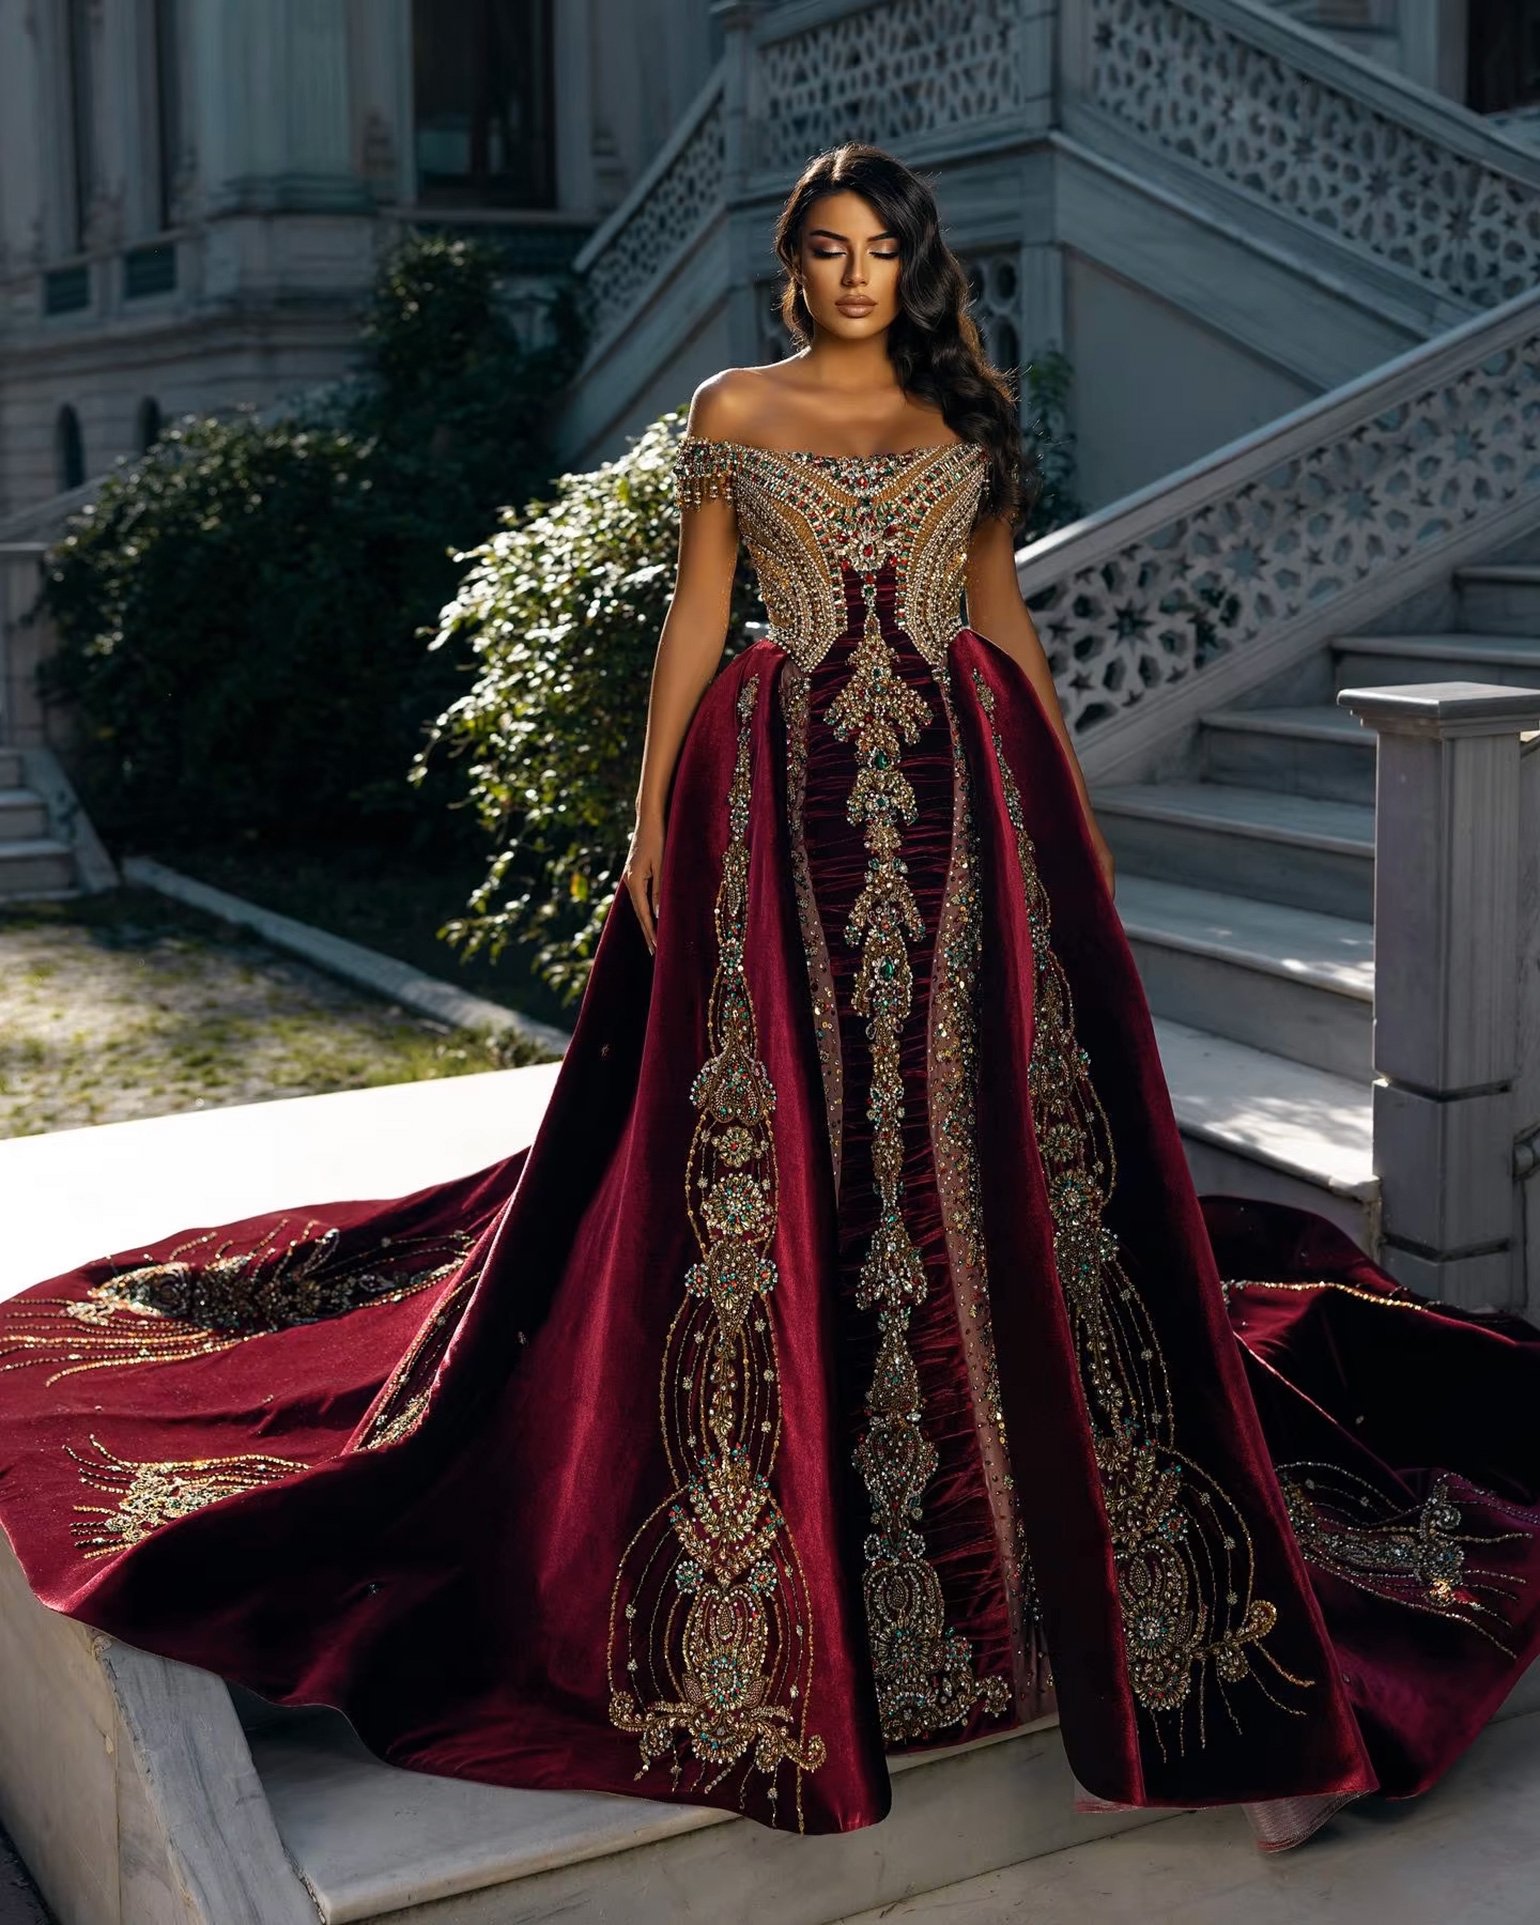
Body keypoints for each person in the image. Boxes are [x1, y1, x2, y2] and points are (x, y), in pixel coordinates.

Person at [1, 140, 1539, 1855]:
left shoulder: (972, 428)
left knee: (989, 1152)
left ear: (914, 265)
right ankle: (828, 1573)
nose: (856, 275)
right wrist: (657, 823)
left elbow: (1000, 624)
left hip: (964, 804)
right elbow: (694, 624)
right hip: (777, 799)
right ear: (793, 270)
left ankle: (1112, 1607)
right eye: (827, 249)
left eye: (882, 249)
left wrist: (1072, 833)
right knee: (787, 1146)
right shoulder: (735, 413)